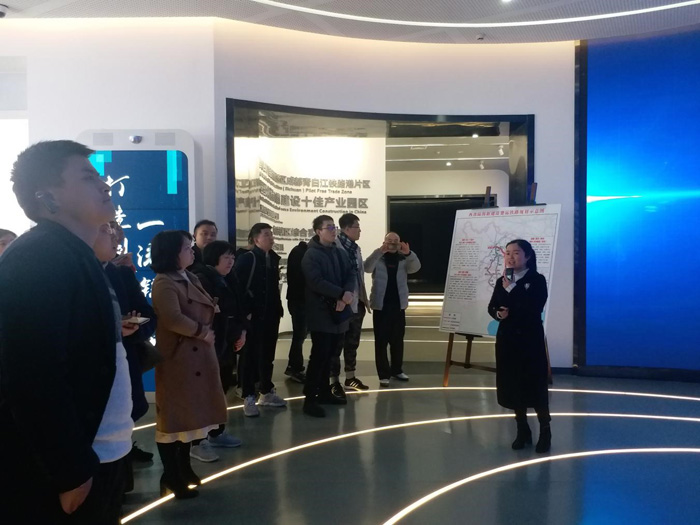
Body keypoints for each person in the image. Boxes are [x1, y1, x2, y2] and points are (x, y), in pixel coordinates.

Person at [0, 140, 133, 523]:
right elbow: (31, 376)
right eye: (88, 177)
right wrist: (69, 470)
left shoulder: (74, 254)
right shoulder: (39, 256)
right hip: (71, 467)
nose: (105, 185)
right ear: (48, 196)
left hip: (98, 451)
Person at [150, 230, 227, 498]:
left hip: (197, 356)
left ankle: (184, 468)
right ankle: (171, 475)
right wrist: (200, 331)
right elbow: (172, 318)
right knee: (174, 421)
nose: (191, 251)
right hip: (179, 358)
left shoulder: (189, 276)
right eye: (186, 247)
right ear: (172, 253)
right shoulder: (164, 282)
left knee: (191, 420)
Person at [93, 222, 157, 489]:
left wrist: (135, 326)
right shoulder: (74, 273)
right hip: (92, 369)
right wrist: (112, 327)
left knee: (130, 411)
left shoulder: (121, 274)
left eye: (117, 237)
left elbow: (149, 315)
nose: (115, 242)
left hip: (125, 360)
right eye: (108, 234)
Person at [487, 239, 551, 453]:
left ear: (528, 256)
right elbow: (492, 306)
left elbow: (534, 307)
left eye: (516, 253)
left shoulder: (537, 280)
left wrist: (513, 288)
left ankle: (545, 430)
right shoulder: (502, 280)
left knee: (535, 384)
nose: (510, 257)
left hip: (529, 341)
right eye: (507, 253)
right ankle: (522, 429)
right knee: (514, 385)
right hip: (508, 341)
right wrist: (498, 314)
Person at [190, 240, 247, 462]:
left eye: (232, 258)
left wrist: (241, 332)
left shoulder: (230, 278)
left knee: (220, 390)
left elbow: (238, 309)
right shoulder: (202, 279)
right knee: (205, 393)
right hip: (209, 344)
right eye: (226, 258)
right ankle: (198, 441)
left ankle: (216, 432)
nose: (231, 262)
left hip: (226, 344)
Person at [301, 215, 355, 418]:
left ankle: (324, 393)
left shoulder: (339, 252)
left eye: (334, 227)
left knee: (332, 355)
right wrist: (340, 294)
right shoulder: (311, 255)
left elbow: (350, 274)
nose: (334, 231)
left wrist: (346, 294)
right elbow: (315, 281)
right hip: (321, 314)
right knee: (319, 356)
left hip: (339, 313)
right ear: (318, 231)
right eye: (329, 227)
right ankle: (310, 399)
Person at [234, 223, 286, 417]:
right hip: (253, 317)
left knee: (268, 355)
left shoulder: (272, 258)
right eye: (266, 235)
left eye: (271, 234)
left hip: (270, 315)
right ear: (256, 239)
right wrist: (246, 312)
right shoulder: (248, 259)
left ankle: (266, 391)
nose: (271, 238)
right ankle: (248, 396)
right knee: (249, 357)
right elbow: (238, 288)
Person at [364, 232, 421, 387]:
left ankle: (397, 370)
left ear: (400, 243)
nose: (392, 243)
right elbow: (367, 267)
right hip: (381, 306)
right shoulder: (379, 257)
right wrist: (379, 252)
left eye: (396, 241)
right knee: (381, 342)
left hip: (398, 306)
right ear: (384, 241)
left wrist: (409, 253)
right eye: (389, 240)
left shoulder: (403, 259)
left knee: (397, 341)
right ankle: (383, 374)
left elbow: (416, 268)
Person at [332, 213, 371, 395]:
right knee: (336, 344)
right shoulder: (335, 247)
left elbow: (359, 275)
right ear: (346, 229)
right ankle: (333, 381)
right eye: (357, 227)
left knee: (352, 342)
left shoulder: (355, 248)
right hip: (342, 303)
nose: (360, 230)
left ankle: (350, 377)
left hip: (357, 303)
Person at [284, 239, 308, 383]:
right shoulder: (300, 253)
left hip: (299, 300)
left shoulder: (299, 252)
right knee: (299, 334)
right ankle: (294, 367)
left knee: (300, 334)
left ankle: (295, 366)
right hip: (299, 301)